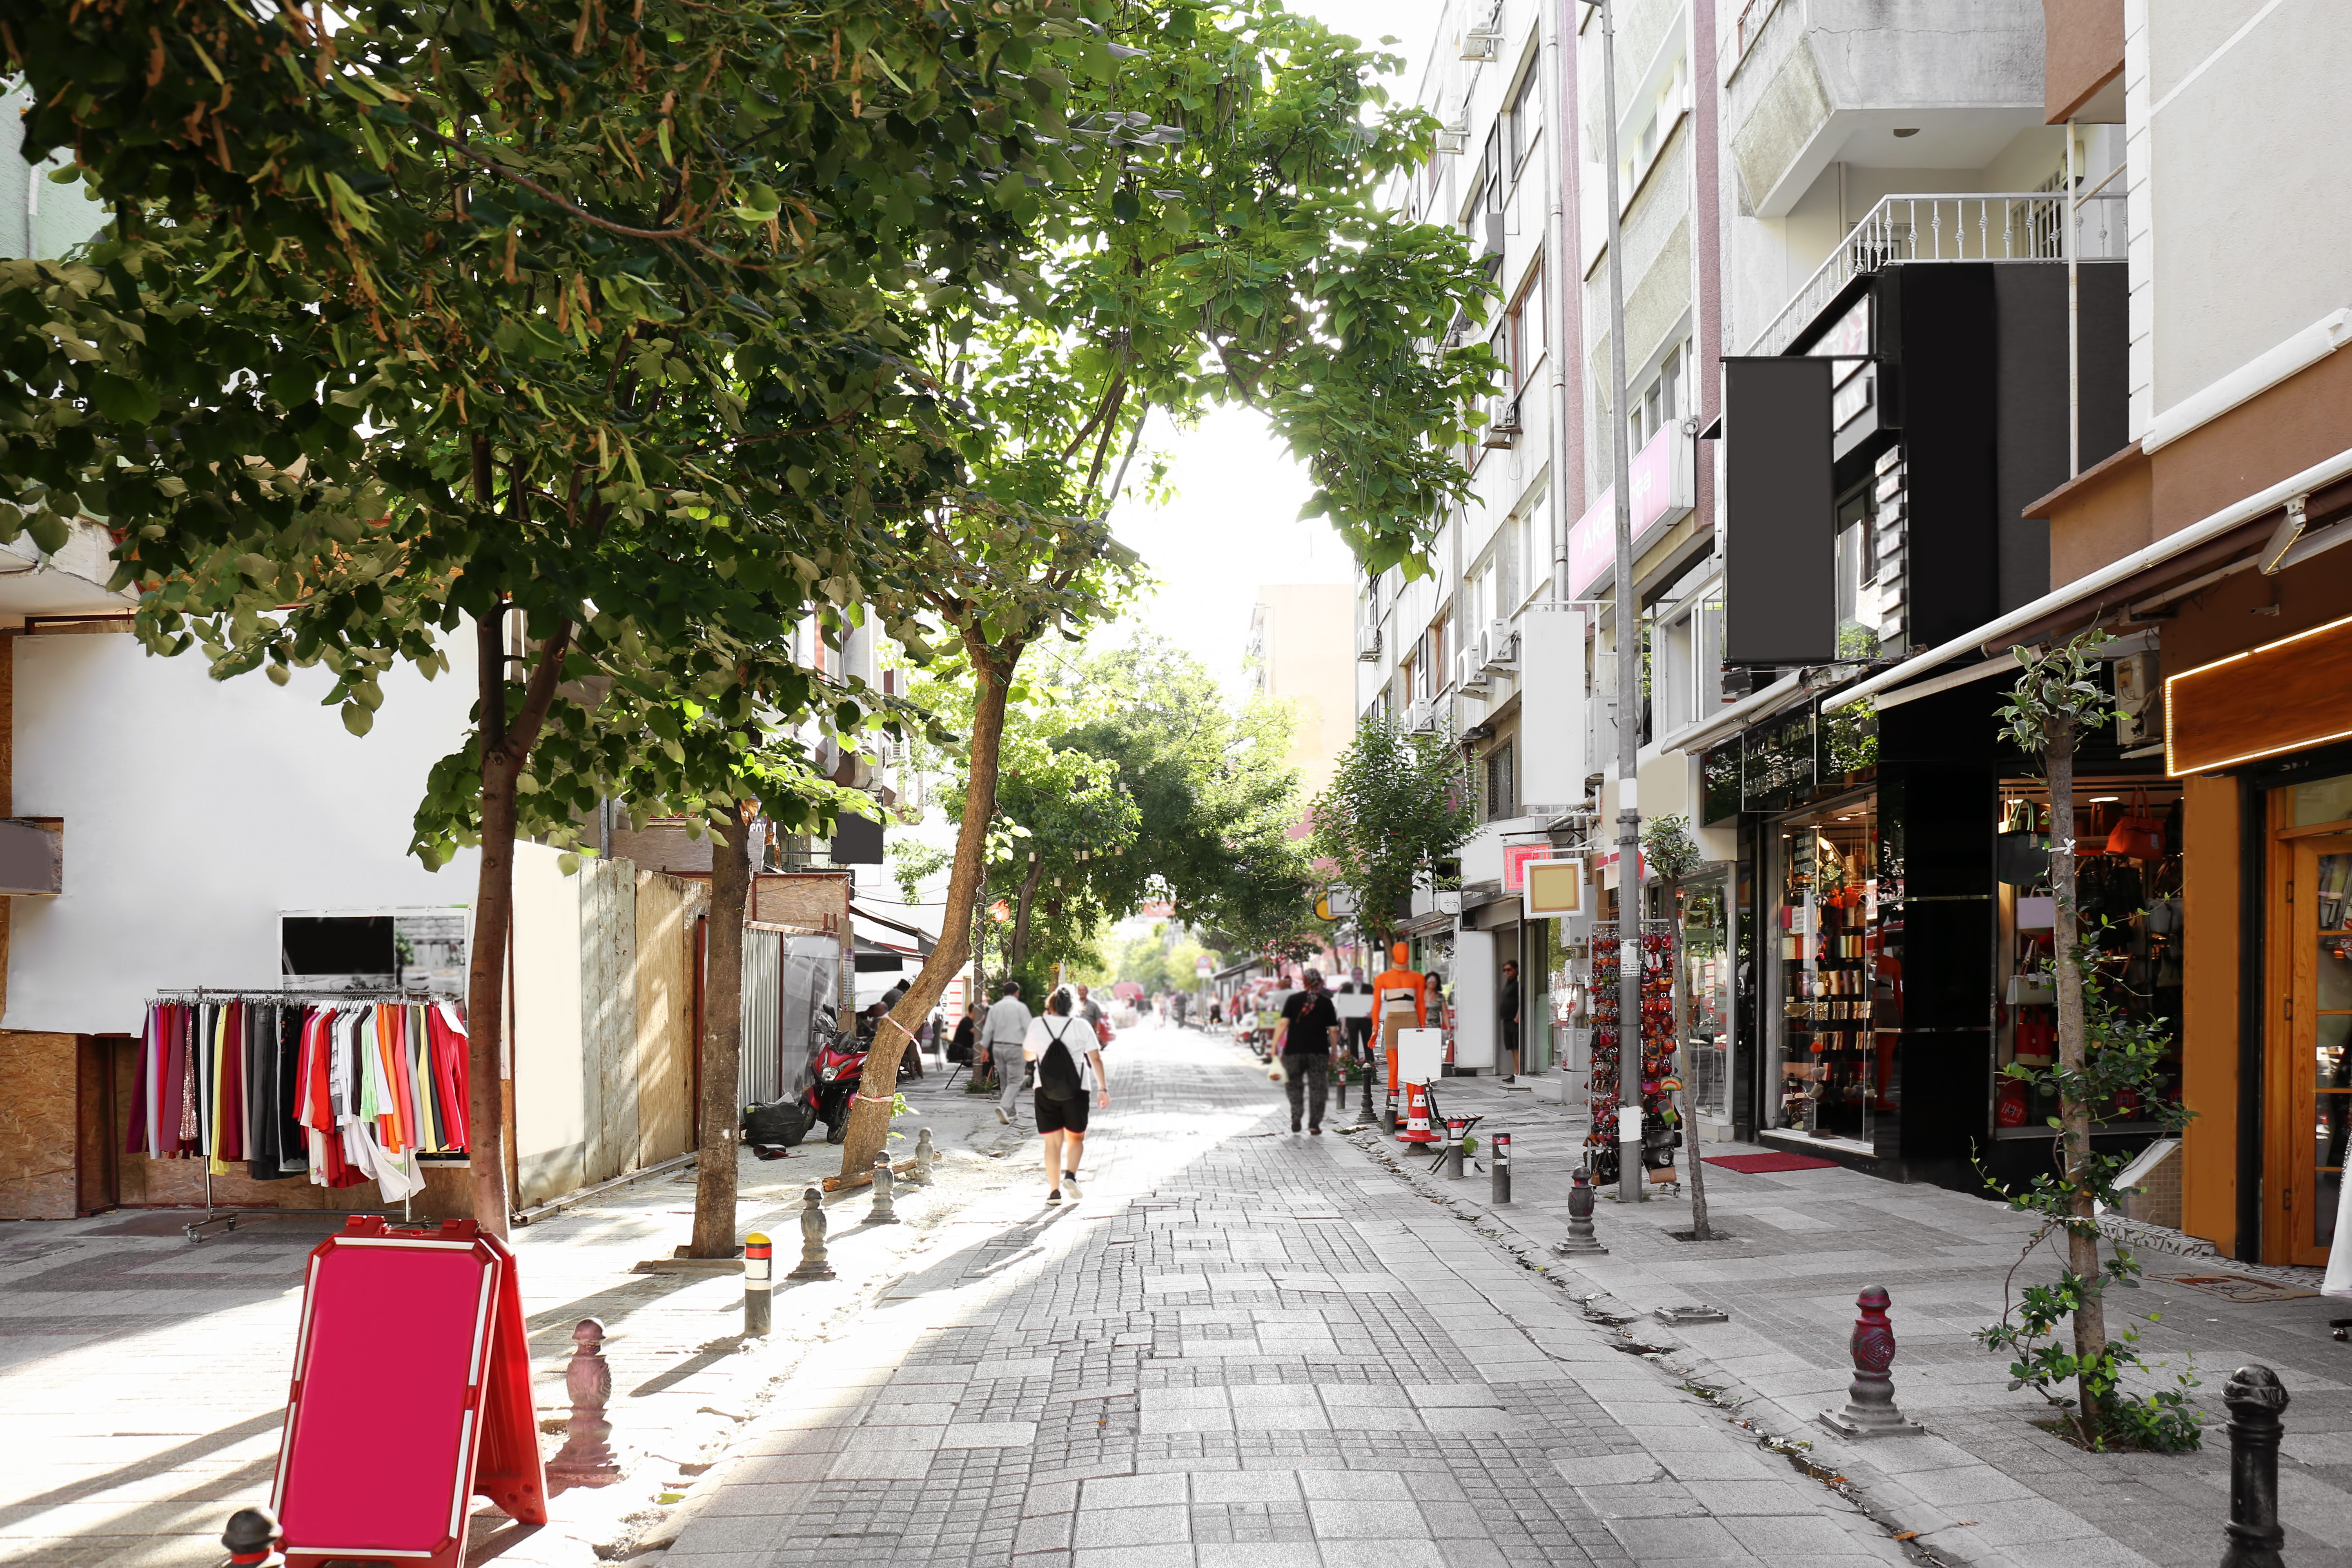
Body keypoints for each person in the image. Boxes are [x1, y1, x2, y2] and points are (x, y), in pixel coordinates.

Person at [1023, 987, 1109, 1203]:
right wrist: (1103, 1090)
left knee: (1053, 1144)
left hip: (1045, 1089)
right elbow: (1095, 1059)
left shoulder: (1038, 1024)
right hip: (1078, 1089)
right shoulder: (1081, 1026)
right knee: (1076, 1137)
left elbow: (1029, 1056)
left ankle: (1054, 1192)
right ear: (1074, 1007)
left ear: (1049, 1006)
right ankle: (1071, 1175)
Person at [1276, 969, 1342, 1134]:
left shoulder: (1293, 1000)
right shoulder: (1326, 1003)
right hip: (1318, 1052)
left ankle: (1296, 1114)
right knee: (1318, 1087)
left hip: (1294, 1051)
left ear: (1304, 982)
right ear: (1319, 982)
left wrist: (1273, 1047)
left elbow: (1283, 1024)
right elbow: (1333, 1031)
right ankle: (1314, 1124)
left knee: (1294, 1084)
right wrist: (1334, 1051)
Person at [978, 980, 1033, 1125]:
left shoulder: (995, 1008)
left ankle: (1011, 1112)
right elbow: (1030, 1030)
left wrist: (984, 1049)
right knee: (1015, 1081)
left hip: (997, 1048)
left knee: (1005, 1081)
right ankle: (1004, 1107)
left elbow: (988, 1029)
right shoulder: (1021, 1008)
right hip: (1015, 1048)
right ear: (1017, 993)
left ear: (1004, 994)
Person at [1498, 958, 1522, 1083]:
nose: (1507, 973)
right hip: (1508, 1020)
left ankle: (1518, 1073)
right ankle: (1516, 1072)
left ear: (1516, 970)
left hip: (1514, 1021)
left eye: (1509, 970)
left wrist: (1517, 1018)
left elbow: (1523, 1001)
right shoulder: (1510, 983)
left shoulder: (1518, 983)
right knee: (1512, 1048)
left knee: (1517, 1047)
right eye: (1505, 970)